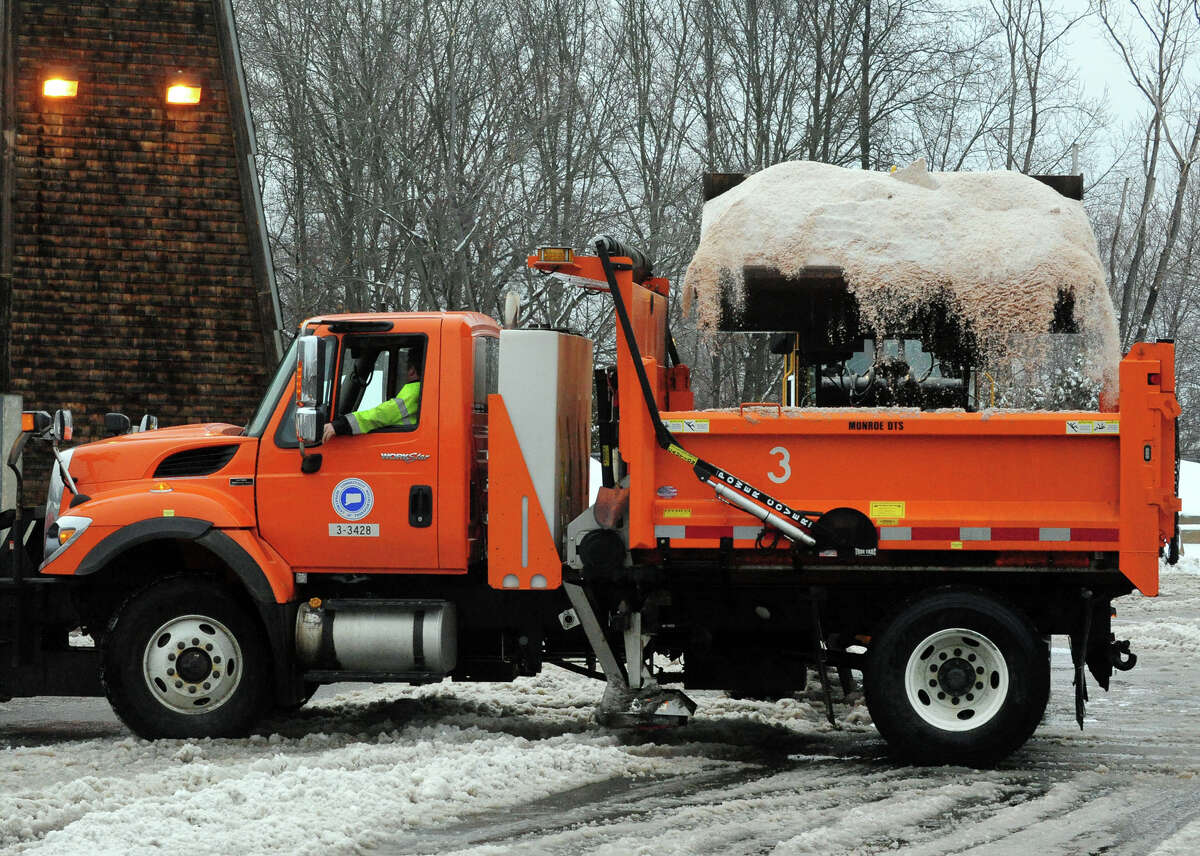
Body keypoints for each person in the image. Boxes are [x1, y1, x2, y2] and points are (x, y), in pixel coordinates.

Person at [322, 351, 422, 442]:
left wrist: (343, 424)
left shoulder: (413, 392)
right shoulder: (422, 391)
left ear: (412, 371)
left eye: (405, 368)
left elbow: (382, 414)